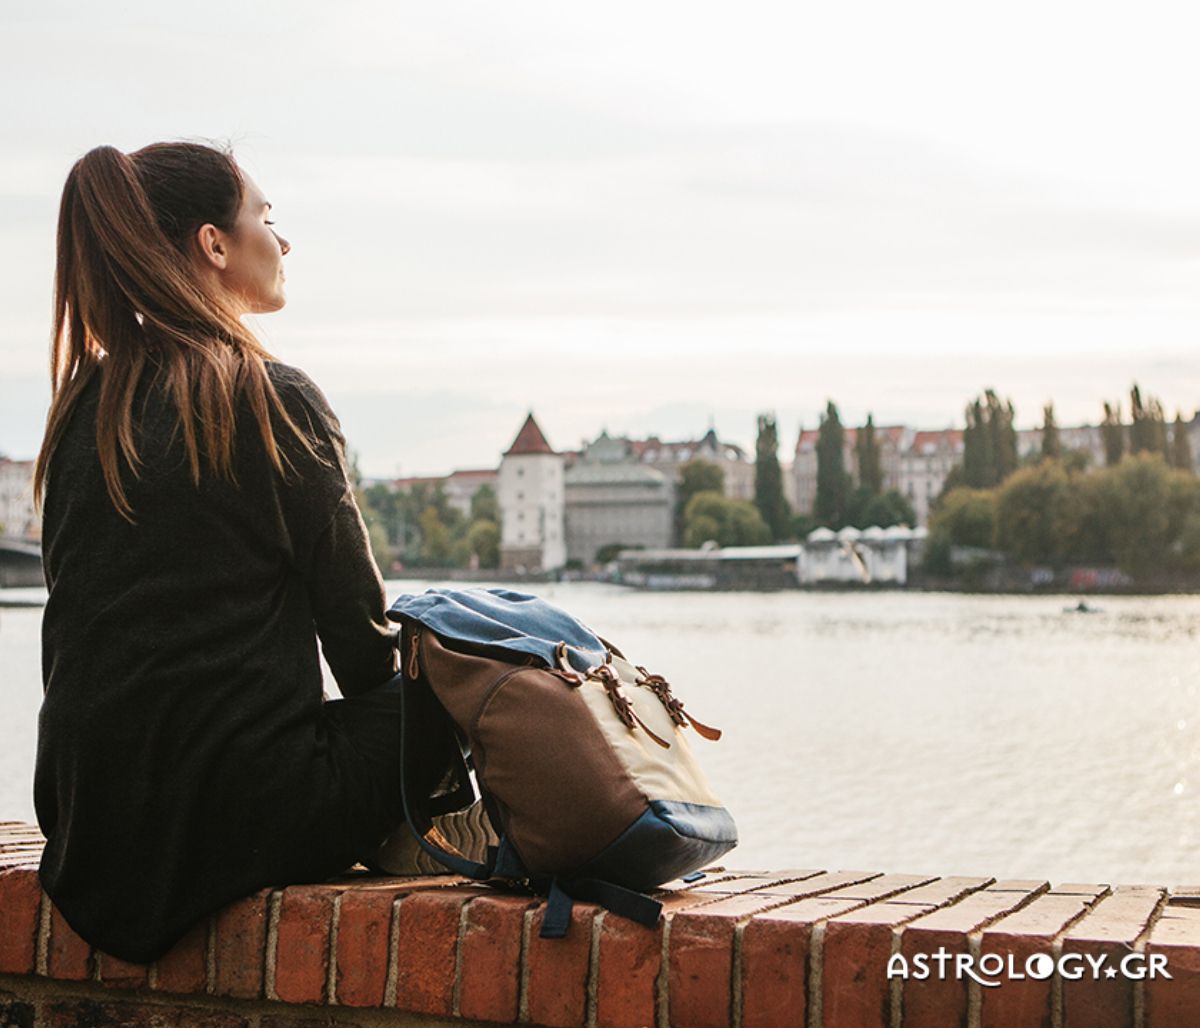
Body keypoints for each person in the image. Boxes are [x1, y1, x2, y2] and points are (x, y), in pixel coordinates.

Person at [32, 141, 422, 963]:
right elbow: (362, 645)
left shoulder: (80, 414)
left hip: (84, 826)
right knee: (449, 679)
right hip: (248, 819)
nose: (282, 243)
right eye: (267, 220)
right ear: (214, 244)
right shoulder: (272, 397)